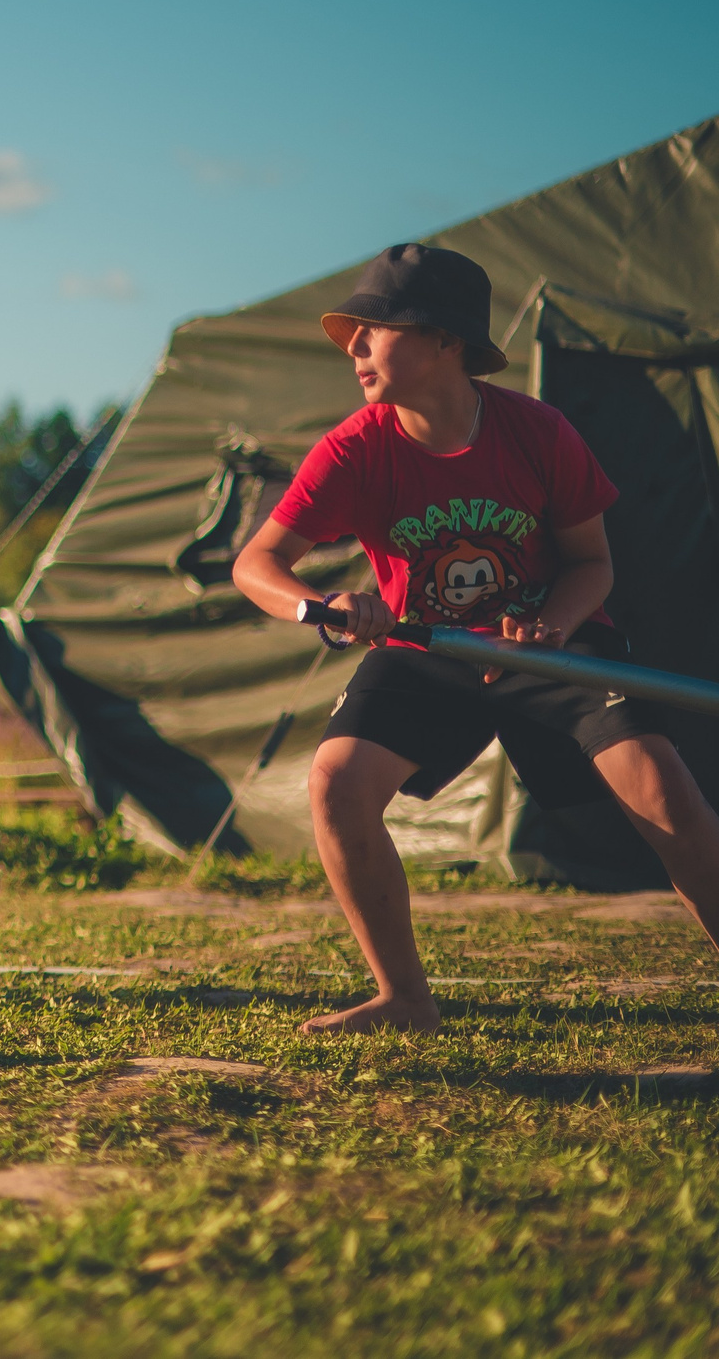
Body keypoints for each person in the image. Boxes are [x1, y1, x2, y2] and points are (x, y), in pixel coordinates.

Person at [233, 244, 719, 1033]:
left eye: (376, 328)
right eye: (352, 332)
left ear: (445, 341)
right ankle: (405, 999)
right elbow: (255, 564)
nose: (354, 347)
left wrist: (552, 626)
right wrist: (320, 606)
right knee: (336, 783)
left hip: (552, 647)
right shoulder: (354, 449)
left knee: (666, 791)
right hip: (427, 651)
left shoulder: (538, 432)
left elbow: (594, 564)